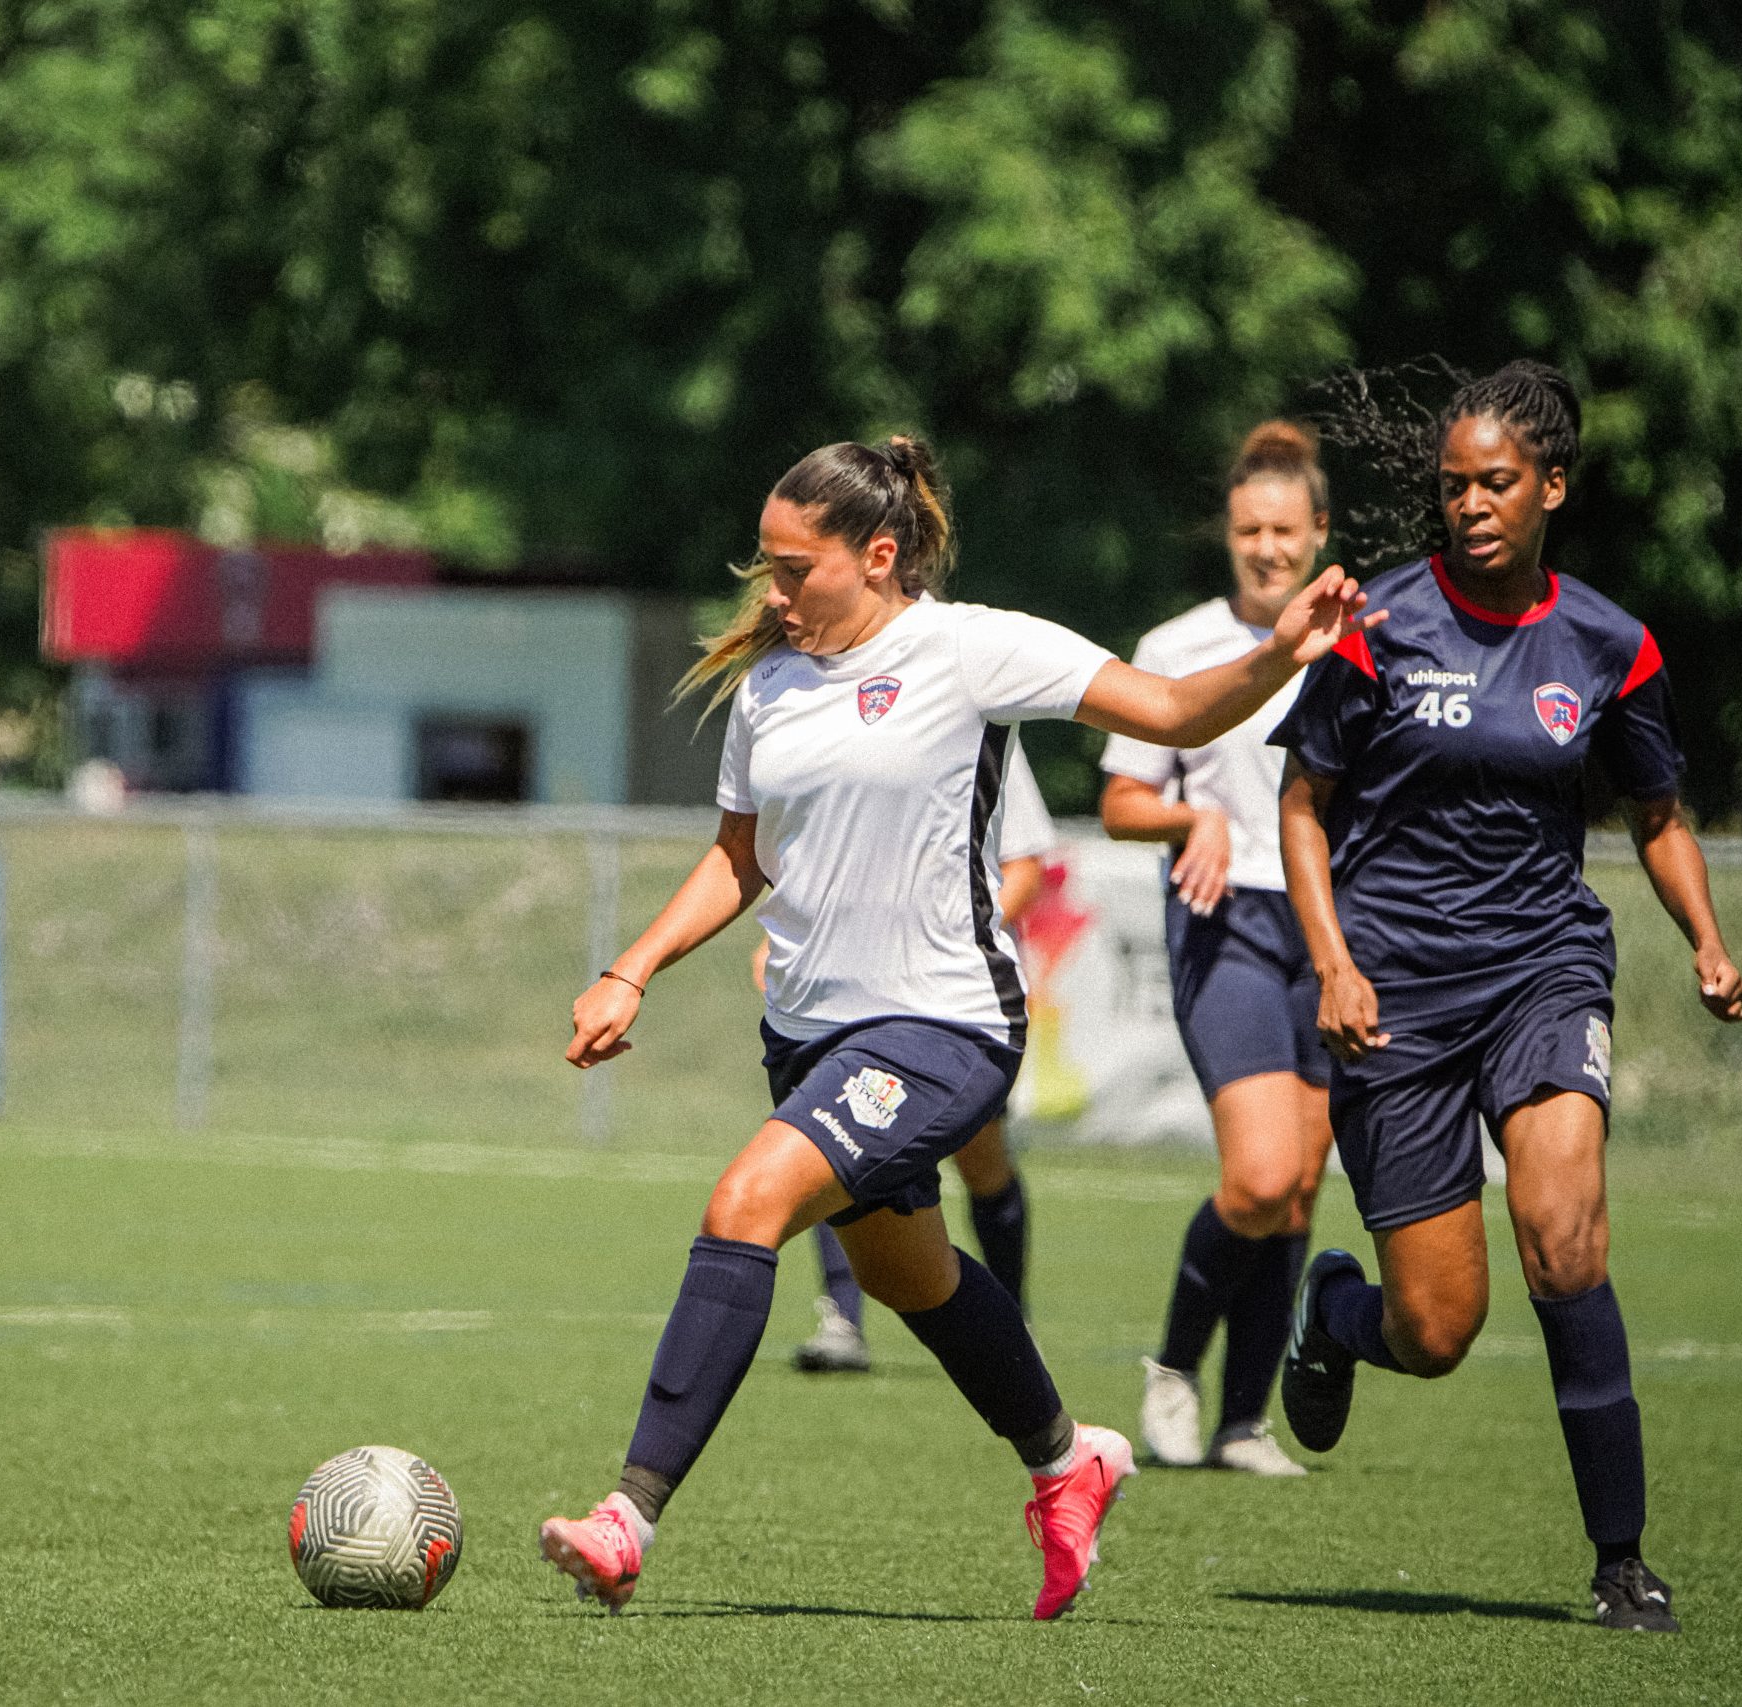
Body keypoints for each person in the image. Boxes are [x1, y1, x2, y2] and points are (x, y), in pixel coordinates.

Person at [537, 435, 1377, 1620]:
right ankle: (1065, 1458)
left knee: (745, 1206)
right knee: (906, 1273)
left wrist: (1283, 654)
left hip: (940, 1028)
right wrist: (632, 969)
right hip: (809, 1037)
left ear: (879, 556)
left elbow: (1178, 713)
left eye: (794, 569)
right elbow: (740, 860)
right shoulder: (771, 683)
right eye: (766, 570)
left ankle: (627, 1519)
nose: (772, 595)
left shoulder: (972, 647)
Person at [1273, 361, 1742, 1633]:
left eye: (1495, 483)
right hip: (1395, 997)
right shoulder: (1376, 622)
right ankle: (1331, 1314)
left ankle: (1619, 1559)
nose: (1471, 503)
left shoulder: (1609, 643)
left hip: (1542, 969)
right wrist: (1332, 960)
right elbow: (1303, 804)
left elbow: (1657, 815)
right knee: (1435, 1328)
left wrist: (1703, 937)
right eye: (1452, 486)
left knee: (1564, 1239)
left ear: (1549, 486)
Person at [1099, 422, 1337, 1478]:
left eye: (1284, 530)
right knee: (1256, 1177)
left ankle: (1245, 1423)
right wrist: (1185, 820)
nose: (1266, 548)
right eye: (1248, 529)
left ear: (1319, 533)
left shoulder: (1359, 641)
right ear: (1228, 535)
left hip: (1331, 933)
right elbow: (1117, 801)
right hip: (1224, 922)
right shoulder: (1175, 646)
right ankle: (1173, 1368)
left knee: (1298, 1192)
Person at [783, 736, 1051, 1373]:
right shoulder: (835, 727)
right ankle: (842, 1320)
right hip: (855, 989)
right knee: (835, 1137)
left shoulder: (981, 720)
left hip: (956, 997)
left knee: (982, 1162)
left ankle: (1012, 1324)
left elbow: (1027, 866)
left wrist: (953, 939)